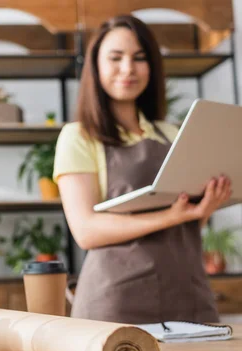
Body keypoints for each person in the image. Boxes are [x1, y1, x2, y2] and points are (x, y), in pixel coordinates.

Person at [53, 15, 231, 324]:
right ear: (95, 66)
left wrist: (203, 209)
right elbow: (86, 231)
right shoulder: (78, 136)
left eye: (139, 58)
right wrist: (172, 216)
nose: (128, 69)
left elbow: (186, 226)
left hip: (189, 297)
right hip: (116, 303)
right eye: (116, 58)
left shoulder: (173, 133)